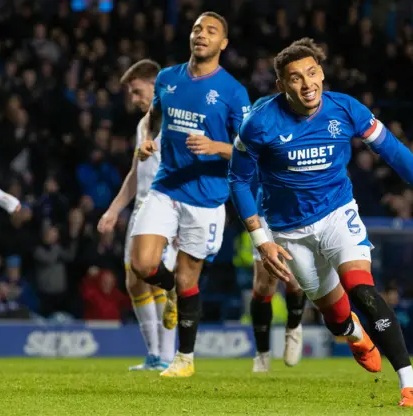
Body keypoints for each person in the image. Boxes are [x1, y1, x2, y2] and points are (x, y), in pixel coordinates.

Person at [228, 38, 413, 407]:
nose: (307, 84)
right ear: (280, 85)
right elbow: (239, 180)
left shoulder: (346, 109)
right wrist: (262, 240)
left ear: (322, 73)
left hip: (338, 214)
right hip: (289, 231)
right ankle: (354, 333)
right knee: (337, 318)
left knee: (363, 290)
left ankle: (410, 383)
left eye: (311, 73)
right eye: (295, 78)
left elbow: (394, 151)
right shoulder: (258, 123)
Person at [130, 11, 250, 377]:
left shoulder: (233, 91)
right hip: (166, 186)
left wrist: (216, 146)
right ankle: (168, 292)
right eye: (198, 28)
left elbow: (252, 149)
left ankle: (185, 359)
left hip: (207, 196)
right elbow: (154, 116)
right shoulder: (167, 78)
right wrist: (149, 141)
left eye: (211, 31)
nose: (202, 34)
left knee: (188, 281)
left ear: (223, 44)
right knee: (142, 264)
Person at [97, 59, 177, 371]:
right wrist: (114, 210)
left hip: (166, 208)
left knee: (157, 279)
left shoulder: (174, 121)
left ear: (156, 87)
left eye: (137, 91)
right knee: (135, 281)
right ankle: (155, 355)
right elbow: (135, 173)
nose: (133, 99)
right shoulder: (142, 125)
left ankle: (167, 356)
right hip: (141, 209)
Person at [250, 184, 306, 372]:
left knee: (294, 279)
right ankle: (262, 353)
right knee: (264, 283)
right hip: (265, 208)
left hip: (301, 209)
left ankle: (294, 327)